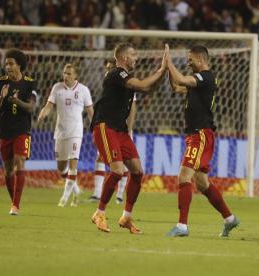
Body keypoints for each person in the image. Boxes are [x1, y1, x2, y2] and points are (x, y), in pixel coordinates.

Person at [90, 43, 167, 234]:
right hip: (105, 126)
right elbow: (142, 85)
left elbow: (147, 88)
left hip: (120, 130)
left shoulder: (126, 77)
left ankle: (126, 217)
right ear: (124, 58)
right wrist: (162, 69)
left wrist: (163, 72)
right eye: (134, 54)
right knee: (116, 171)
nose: (137, 57)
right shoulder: (117, 74)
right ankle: (99, 213)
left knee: (137, 172)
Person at [165, 44, 240, 237]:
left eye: (190, 59)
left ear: (200, 59)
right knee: (202, 183)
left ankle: (182, 226)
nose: (188, 62)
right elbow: (176, 86)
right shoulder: (197, 83)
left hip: (200, 135)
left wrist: (169, 61)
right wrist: (167, 69)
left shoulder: (206, 77)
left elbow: (181, 78)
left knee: (184, 177)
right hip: (196, 135)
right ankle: (230, 219)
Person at [37, 63, 94, 207]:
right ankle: (76, 189)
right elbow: (49, 105)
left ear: (76, 75)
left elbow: (90, 112)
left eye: (69, 73)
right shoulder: (57, 87)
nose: (65, 76)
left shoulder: (83, 90)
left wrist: (96, 129)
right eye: (64, 73)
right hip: (60, 131)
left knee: (73, 164)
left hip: (76, 131)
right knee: (61, 167)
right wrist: (43, 112)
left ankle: (64, 199)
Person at [0, 49, 37, 215]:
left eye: (11, 64)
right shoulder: (0, 83)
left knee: (20, 162)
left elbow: (31, 107)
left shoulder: (29, 83)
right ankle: (14, 202)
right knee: (8, 170)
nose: (8, 67)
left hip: (22, 129)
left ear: (19, 65)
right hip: (5, 130)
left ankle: (15, 206)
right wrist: (2, 98)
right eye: (6, 64)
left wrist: (17, 101)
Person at [89, 58, 137, 204]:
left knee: (123, 164)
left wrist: (129, 129)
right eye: (107, 68)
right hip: (107, 127)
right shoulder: (109, 84)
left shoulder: (127, 83)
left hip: (122, 129)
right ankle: (97, 193)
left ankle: (120, 194)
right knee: (102, 159)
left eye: (110, 67)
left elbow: (133, 108)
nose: (108, 70)